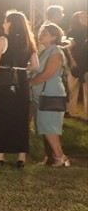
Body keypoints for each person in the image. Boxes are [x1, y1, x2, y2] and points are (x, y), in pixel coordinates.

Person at [0, 10, 37, 169]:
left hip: (4, 80)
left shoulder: (2, 40)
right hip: (21, 81)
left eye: (5, 21)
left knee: (0, 116)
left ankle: (0, 156)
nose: (3, 24)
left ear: (11, 23)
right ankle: (21, 156)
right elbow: (36, 66)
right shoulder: (29, 41)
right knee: (20, 117)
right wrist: (22, 68)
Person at [30, 24, 70, 167]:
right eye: (41, 32)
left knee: (49, 127)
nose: (41, 35)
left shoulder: (56, 51)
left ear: (54, 36)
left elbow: (48, 74)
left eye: (45, 33)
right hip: (41, 94)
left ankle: (60, 157)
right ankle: (50, 156)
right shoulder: (44, 51)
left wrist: (30, 83)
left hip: (51, 93)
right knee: (43, 126)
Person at [66, 11, 87, 119]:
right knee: (72, 88)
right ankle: (70, 111)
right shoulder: (72, 32)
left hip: (86, 64)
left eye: (85, 16)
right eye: (81, 17)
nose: (84, 18)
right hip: (75, 63)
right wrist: (72, 61)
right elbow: (68, 48)